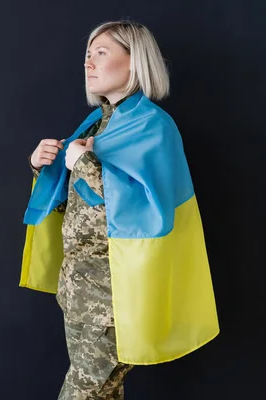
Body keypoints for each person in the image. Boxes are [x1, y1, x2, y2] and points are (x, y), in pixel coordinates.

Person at [19, 21, 219, 400]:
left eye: (101, 53)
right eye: (86, 56)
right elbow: (81, 204)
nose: (88, 63)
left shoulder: (153, 127)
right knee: (104, 394)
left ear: (135, 61)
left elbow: (148, 212)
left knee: (85, 393)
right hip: (79, 291)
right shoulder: (100, 122)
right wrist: (43, 165)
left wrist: (82, 162)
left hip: (115, 298)